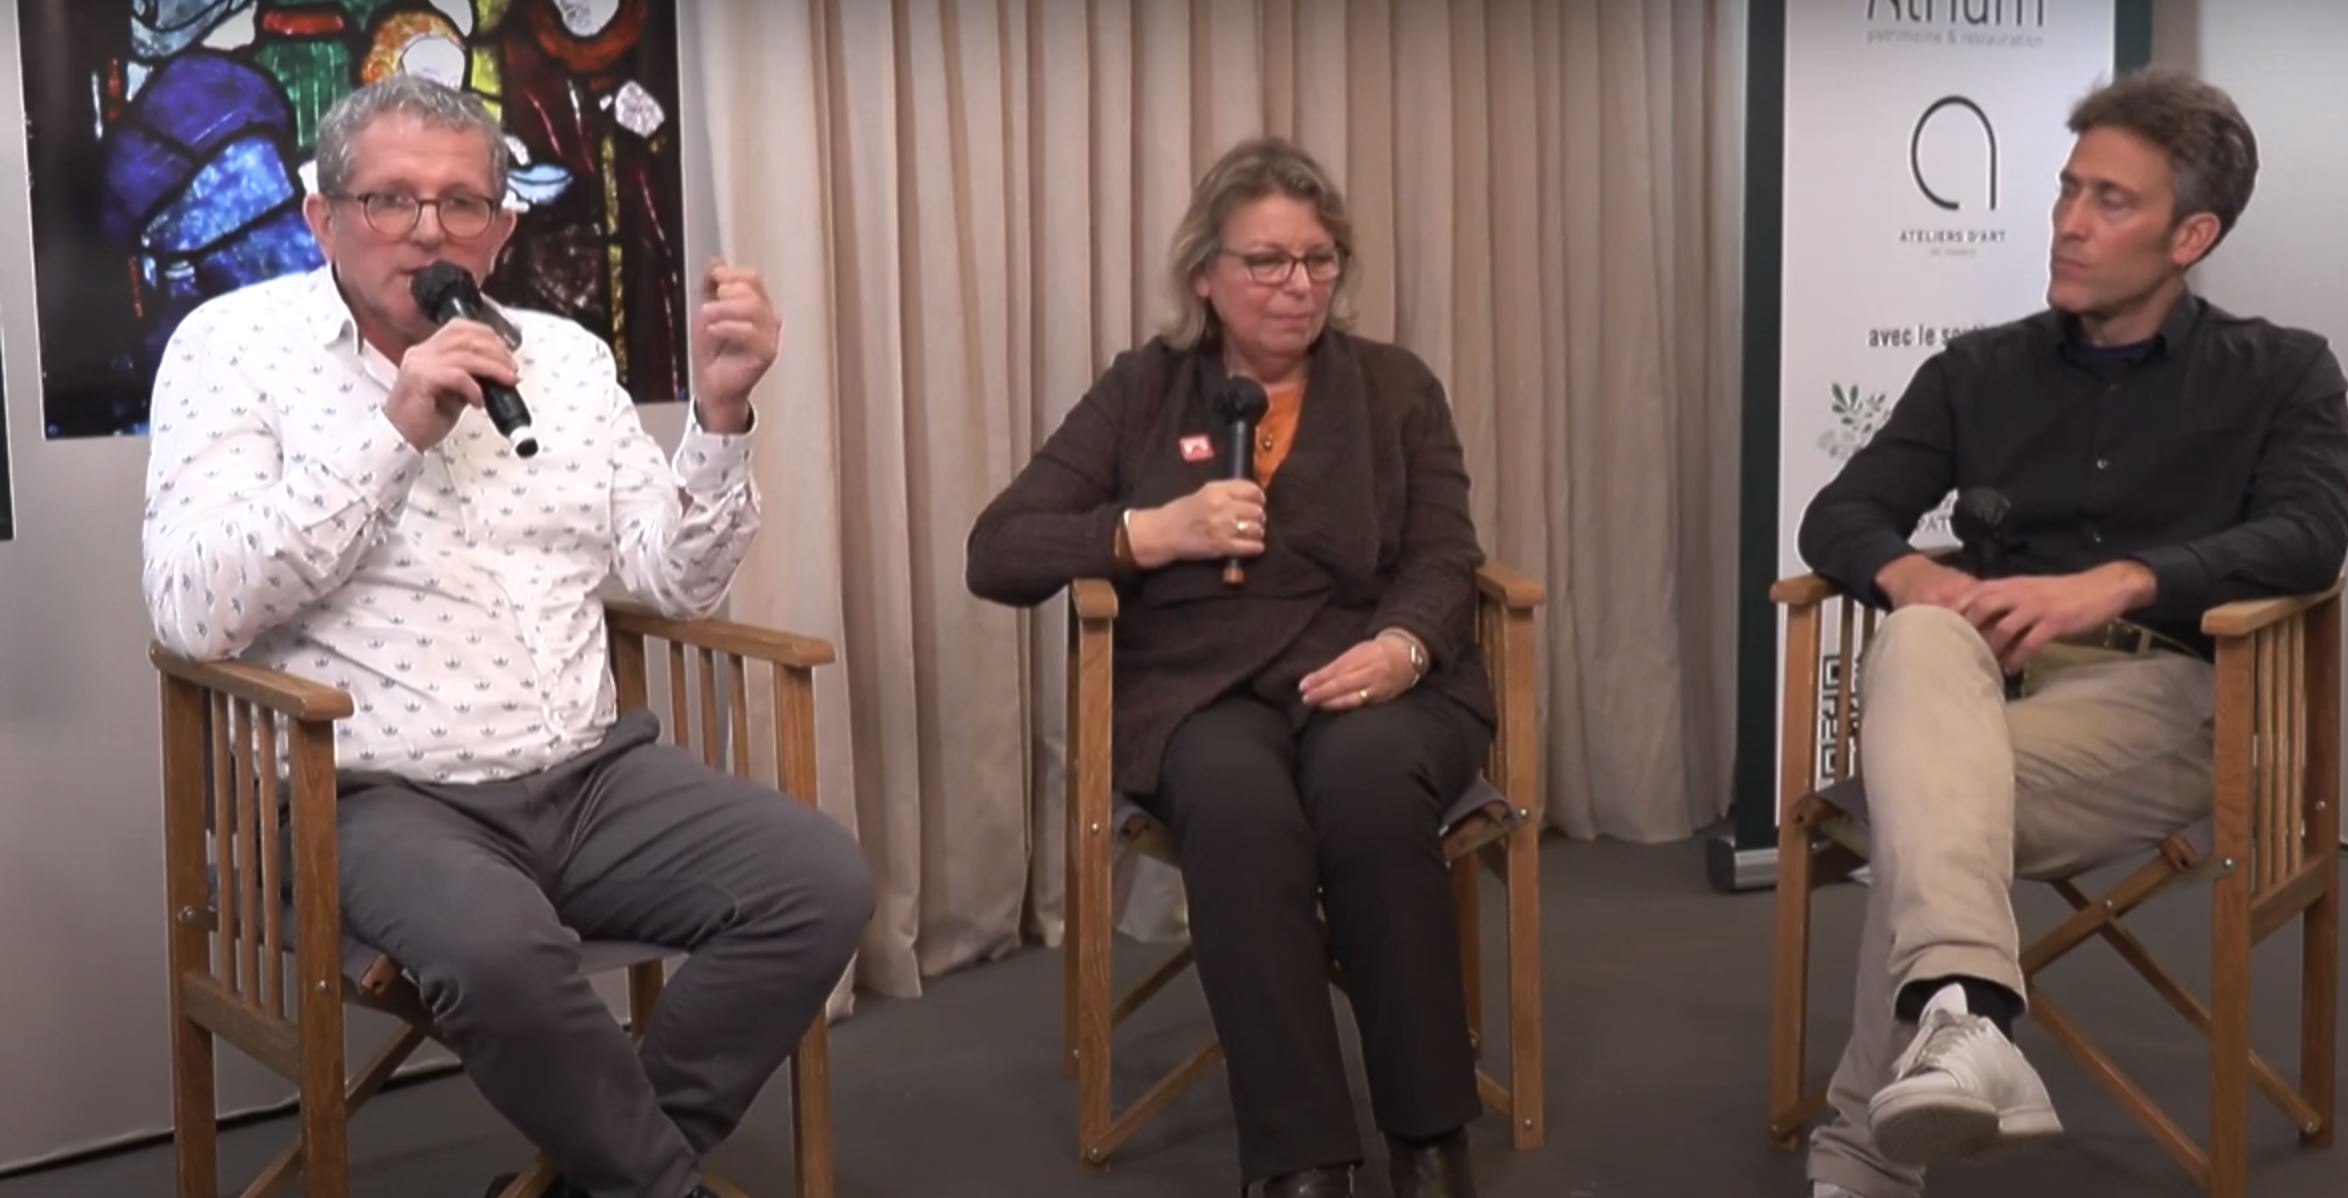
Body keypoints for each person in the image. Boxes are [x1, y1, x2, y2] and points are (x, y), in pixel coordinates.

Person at [141, 74, 872, 1198]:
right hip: (370, 796)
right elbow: (191, 606)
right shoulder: (232, 349)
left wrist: (721, 419)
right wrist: (393, 431)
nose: (426, 229)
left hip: (591, 774)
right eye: (388, 199)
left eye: (460, 203)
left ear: (503, 226)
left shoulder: (567, 361)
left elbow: (672, 581)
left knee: (817, 880)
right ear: (321, 216)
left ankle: (597, 1181)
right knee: (498, 951)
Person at [1794, 68, 2348, 1198]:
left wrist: (2116, 584)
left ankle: (1864, 1146)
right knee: (1917, 646)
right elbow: (1838, 515)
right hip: (1981, 697)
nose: (2066, 221)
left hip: (2173, 704)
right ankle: (1971, 1018)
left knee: (1919, 807)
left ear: (2190, 233)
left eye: (2111, 200)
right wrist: (1914, 575)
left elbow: (2308, 537)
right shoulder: (1976, 371)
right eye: (2066, 189)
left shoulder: (2281, 370)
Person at [967, 136, 1495, 1198]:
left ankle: (1430, 1136)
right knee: (1239, 808)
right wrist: (1149, 533)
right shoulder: (1144, 390)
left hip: (1372, 676)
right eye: (1267, 261)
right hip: (1202, 693)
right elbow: (998, 548)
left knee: (1368, 786)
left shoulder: (1394, 387)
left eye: (1319, 258)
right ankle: (1303, 1159)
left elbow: (1446, 554)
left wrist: (1401, 647)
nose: (1297, 285)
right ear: (1203, 272)